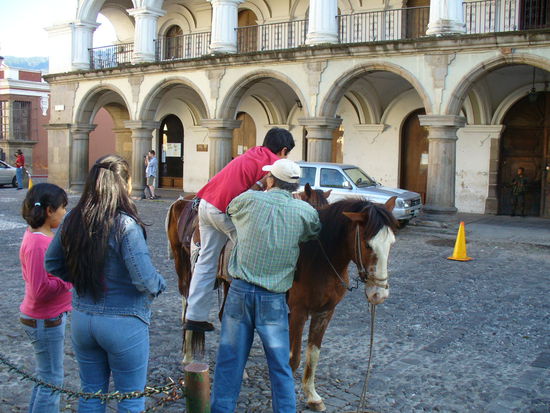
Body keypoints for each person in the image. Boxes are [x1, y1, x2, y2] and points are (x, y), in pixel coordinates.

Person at [45, 154, 166, 413]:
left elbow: (52, 263)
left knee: (91, 394)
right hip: (124, 320)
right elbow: (145, 279)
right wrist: (160, 284)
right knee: (130, 398)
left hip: (83, 319)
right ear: (124, 184)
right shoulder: (125, 224)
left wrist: (81, 278)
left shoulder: (73, 218)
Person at [211, 158, 321, 413]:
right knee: (280, 366)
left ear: (270, 180)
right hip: (273, 297)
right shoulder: (305, 212)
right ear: (294, 186)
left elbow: (229, 210)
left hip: (239, 292)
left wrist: (259, 189)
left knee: (229, 361)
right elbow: (312, 232)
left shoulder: (248, 200)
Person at [184, 127, 295, 332]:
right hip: (224, 210)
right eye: (286, 155)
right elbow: (267, 199)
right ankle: (258, 310)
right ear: (284, 150)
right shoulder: (274, 164)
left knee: (206, 260)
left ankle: (194, 316)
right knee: (254, 252)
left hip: (207, 204)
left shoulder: (253, 152)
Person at [19, 183, 72, 413]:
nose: (65, 212)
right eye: (63, 207)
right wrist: (69, 278)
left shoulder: (38, 235)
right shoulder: (38, 243)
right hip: (45, 319)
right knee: (52, 380)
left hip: (46, 318)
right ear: (50, 211)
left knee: (45, 378)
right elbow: (40, 289)